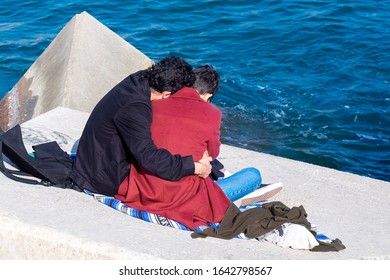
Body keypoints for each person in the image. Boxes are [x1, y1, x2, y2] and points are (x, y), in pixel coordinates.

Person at [70, 57, 212, 196]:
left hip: (96, 163)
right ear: (167, 94)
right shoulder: (135, 108)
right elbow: (150, 158)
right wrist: (196, 167)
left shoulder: (139, 80)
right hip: (105, 178)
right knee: (195, 189)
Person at [115, 65, 231, 229]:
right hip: (180, 198)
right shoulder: (212, 113)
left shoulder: (154, 103)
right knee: (251, 177)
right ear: (209, 95)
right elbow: (213, 152)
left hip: (141, 188)